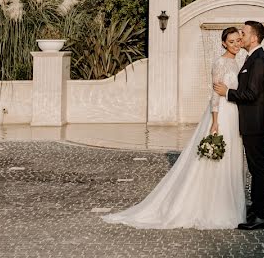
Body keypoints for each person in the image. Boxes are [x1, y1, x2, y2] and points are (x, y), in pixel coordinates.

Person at [102, 27, 246, 229]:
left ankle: (227, 202)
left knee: (230, 157)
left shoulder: (236, 62)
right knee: (215, 158)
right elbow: (215, 94)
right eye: (231, 42)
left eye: (237, 41)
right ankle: (211, 206)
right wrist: (215, 121)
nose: (235, 44)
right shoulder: (220, 62)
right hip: (221, 113)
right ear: (223, 43)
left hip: (233, 113)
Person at [213, 20, 264, 230]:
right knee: (257, 168)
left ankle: (261, 216)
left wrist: (227, 93)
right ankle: (256, 209)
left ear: (254, 37)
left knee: (258, 169)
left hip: (254, 124)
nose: (241, 36)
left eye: (244, 33)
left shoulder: (258, 60)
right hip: (251, 122)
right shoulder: (251, 58)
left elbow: (252, 93)